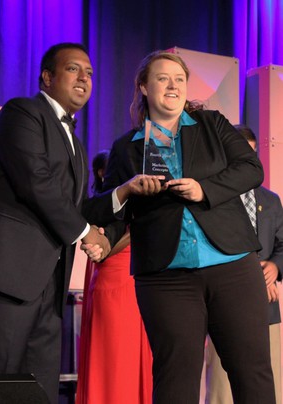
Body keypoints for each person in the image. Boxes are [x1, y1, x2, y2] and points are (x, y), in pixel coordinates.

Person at [84, 50, 276, 403]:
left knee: (252, 372)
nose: (172, 85)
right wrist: (125, 192)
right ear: (143, 86)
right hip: (166, 278)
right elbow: (105, 210)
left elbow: (252, 169)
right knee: (175, 381)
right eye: (162, 78)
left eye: (179, 79)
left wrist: (205, 189)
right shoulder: (126, 148)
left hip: (232, 266)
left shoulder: (213, 125)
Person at [0, 42, 115, 404]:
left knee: (39, 384)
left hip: (52, 281)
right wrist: (88, 234)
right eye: (74, 69)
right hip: (10, 274)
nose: (84, 78)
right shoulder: (22, 112)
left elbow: (79, 205)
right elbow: (35, 182)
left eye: (89, 73)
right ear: (47, 76)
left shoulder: (75, 140)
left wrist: (122, 196)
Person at [205, 124, 283, 404]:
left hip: (266, 307)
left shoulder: (271, 200)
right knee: (222, 390)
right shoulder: (211, 198)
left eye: (250, 155)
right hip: (225, 304)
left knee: (266, 383)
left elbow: (282, 247)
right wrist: (252, 274)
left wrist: (273, 268)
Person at [76, 150, 152, 404]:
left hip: (140, 279)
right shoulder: (106, 203)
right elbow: (106, 244)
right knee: (116, 361)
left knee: (135, 359)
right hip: (116, 281)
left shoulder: (138, 197)